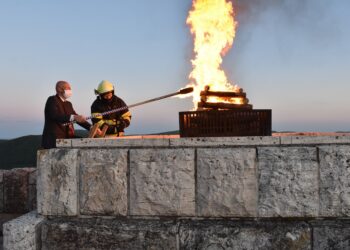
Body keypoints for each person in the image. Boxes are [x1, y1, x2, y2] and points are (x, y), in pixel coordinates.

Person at [41, 81, 91, 149]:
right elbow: (55, 115)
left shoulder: (68, 104)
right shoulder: (52, 100)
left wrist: (90, 127)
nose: (70, 90)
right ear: (59, 89)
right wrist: (74, 117)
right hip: (54, 140)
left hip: (67, 137)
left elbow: (77, 118)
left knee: (86, 142)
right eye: (68, 88)